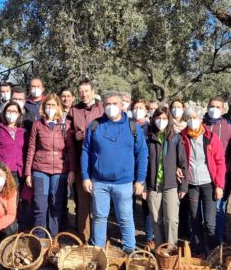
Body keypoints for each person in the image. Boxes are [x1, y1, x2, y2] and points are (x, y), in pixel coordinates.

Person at [81, 91, 148, 252]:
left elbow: (142, 153)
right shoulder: (95, 125)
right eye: (108, 104)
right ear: (103, 106)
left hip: (124, 182)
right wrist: (85, 176)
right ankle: (98, 249)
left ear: (122, 106)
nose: (111, 107)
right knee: (99, 217)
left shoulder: (133, 127)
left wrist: (140, 180)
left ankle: (129, 250)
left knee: (125, 218)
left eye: (114, 104)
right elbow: (85, 151)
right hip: (99, 181)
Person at [24, 93, 75, 235]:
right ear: (43, 106)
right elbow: (31, 148)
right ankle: (39, 238)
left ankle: (54, 236)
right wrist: (28, 172)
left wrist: (71, 170)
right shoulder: (37, 124)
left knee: (56, 203)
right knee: (40, 205)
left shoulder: (65, 126)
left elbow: (70, 149)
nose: (50, 107)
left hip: (60, 170)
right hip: (40, 169)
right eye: (48, 104)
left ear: (58, 107)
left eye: (53, 105)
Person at [180, 107, 226, 255]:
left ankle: (213, 251)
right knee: (194, 218)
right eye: (188, 118)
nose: (192, 121)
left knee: (210, 222)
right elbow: (177, 158)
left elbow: (220, 163)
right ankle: (198, 249)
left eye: (194, 117)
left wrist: (219, 186)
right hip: (192, 184)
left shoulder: (211, 137)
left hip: (208, 184)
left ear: (201, 119)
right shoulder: (181, 138)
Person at [144, 107, 188, 246]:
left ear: (169, 120)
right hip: (153, 185)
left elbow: (183, 163)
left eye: (164, 118)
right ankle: (159, 248)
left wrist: (184, 186)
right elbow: (144, 162)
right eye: (158, 118)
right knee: (156, 219)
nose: (161, 121)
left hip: (171, 185)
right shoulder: (149, 138)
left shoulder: (175, 138)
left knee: (171, 219)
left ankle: (170, 249)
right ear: (153, 119)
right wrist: (144, 185)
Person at [68, 78, 104, 242]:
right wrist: (75, 136)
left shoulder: (102, 109)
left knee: (99, 203)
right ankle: (84, 238)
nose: (84, 94)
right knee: (82, 204)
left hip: (100, 162)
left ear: (93, 92)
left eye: (86, 91)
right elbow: (67, 136)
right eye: (81, 91)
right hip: (81, 162)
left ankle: (99, 239)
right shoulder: (73, 111)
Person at [203, 97, 231, 244]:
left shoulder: (229, 129)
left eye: (218, 107)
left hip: (222, 176)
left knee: (219, 208)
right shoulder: (200, 126)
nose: (214, 109)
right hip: (202, 175)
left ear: (223, 109)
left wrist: (224, 171)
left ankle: (219, 238)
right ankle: (204, 239)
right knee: (203, 209)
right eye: (212, 106)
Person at [0, 101, 26, 187]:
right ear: (4, 113)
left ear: (19, 114)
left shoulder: (23, 132)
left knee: (15, 199)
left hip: (18, 173)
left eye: (14, 111)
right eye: (9, 111)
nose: (11, 113)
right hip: (1, 172)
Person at [131, 98, 153, 248]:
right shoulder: (128, 125)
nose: (138, 110)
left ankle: (149, 237)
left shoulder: (151, 128)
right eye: (135, 107)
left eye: (141, 108)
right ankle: (128, 234)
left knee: (148, 206)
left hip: (146, 169)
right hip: (129, 170)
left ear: (146, 111)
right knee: (128, 205)